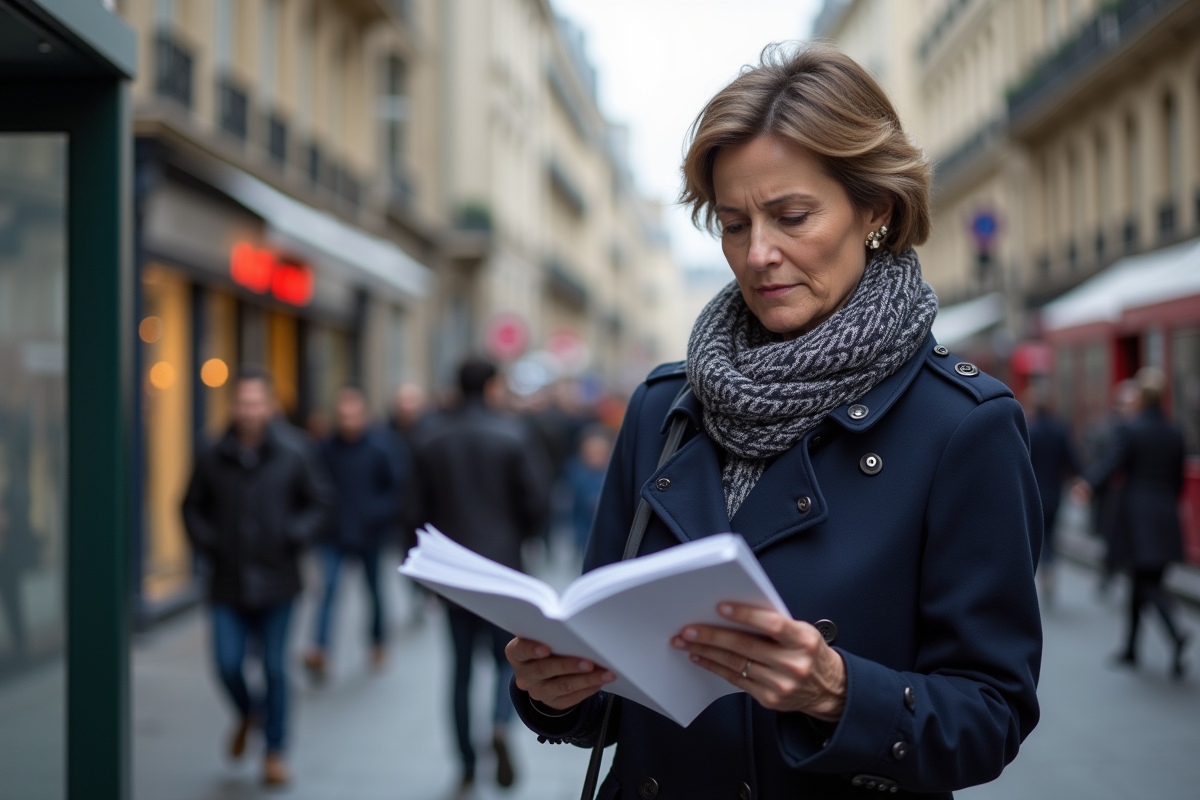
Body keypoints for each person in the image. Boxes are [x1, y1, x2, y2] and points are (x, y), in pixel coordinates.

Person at [506, 44, 1042, 798]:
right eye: (732, 224)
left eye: (791, 216)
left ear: (876, 211)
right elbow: (610, 690)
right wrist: (554, 688)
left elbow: (992, 714)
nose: (759, 254)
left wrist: (837, 691)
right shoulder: (664, 408)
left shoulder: (963, 426)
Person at [182, 367, 330, 786]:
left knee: (274, 668)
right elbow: (191, 505)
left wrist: (293, 535)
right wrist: (209, 543)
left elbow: (319, 501)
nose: (248, 410)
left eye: (256, 402)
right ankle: (249, 712)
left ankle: (276, 752)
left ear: (270, 406)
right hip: (227, 580)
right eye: (242, 402)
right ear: (233, 405)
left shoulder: (295, 450)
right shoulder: (212, 451)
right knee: (227, 665)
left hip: (279, 579)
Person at [413, 357, 551, 796]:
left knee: (458, 670)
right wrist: (522, 538)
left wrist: (422, 577)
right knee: (505, 660)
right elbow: (536, 502)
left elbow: (414, 512)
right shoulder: (513, 433)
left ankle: (466, 762)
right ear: (492, 387)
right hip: (502, 570)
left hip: (452, 574)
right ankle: (498, 723)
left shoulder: (430, 438)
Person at [1075, 367, 1190, 678]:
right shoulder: (1175, 431)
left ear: (1141, 395)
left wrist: (1087, 485)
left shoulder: (1131, 429)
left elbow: (1112, 464)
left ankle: (1177, 633)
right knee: (1143, 583)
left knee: (1147, 584)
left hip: (1137, 518)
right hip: (1165, 515)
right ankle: (1131, 650)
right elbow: (1179, 480)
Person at [303, 386, 399, 680]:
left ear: (365, 414)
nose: (348, 421)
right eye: (343, 415)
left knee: (374, 591)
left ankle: (378, 642)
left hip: (369, 533)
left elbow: (395, 488)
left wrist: (377, 514)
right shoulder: (325, 448)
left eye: (353, 415)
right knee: (329, 590)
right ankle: (319, 649)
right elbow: (314, 486)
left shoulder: (381, 447)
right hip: (334, 533)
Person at [1026, 391, 1081, 604]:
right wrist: (1083, 482)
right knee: (1051, 535)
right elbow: (1073, 460)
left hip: (1033, 493)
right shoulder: (1060, 431)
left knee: (1035, 536)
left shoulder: (1029, 430)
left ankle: (1042, 573)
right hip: (1055, 493)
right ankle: (1049, 569)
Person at [563, 425, 614, 556]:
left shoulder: (614, 472)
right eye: (591, 453)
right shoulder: (576, 472)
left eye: (600, 453)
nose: (596, 458)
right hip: (584, 531)